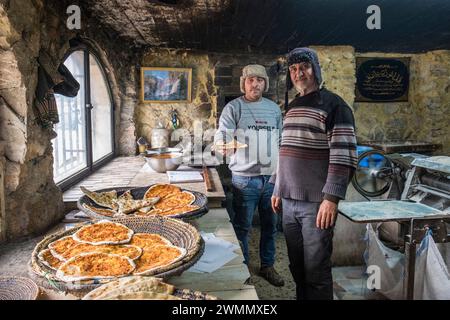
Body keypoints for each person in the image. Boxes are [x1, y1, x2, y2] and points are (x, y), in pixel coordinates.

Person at [270, 48, 357, 299]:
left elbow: (344, 156)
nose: (299, 73)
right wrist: (278, 187)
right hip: (288, 202)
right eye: (294, 69)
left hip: (316, 204)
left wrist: (331, 199)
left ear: (315, 70)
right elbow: (285, 150)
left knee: (316, 272)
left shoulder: (335, 105)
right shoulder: (293, 106)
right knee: (297, 269)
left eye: (304, 67)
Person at [214, 64, 284, 287]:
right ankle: (243, 269)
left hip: (271, 179)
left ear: (266, 83)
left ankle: (267, 266)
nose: (256, 84)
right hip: (245, 179)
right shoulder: (233, 108)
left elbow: (281, 142)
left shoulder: (274, 109)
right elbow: (221, 138)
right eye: (251, 80)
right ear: (243, 83)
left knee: (270, 226)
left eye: (260, 80)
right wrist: (223, 145)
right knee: (242, 227)